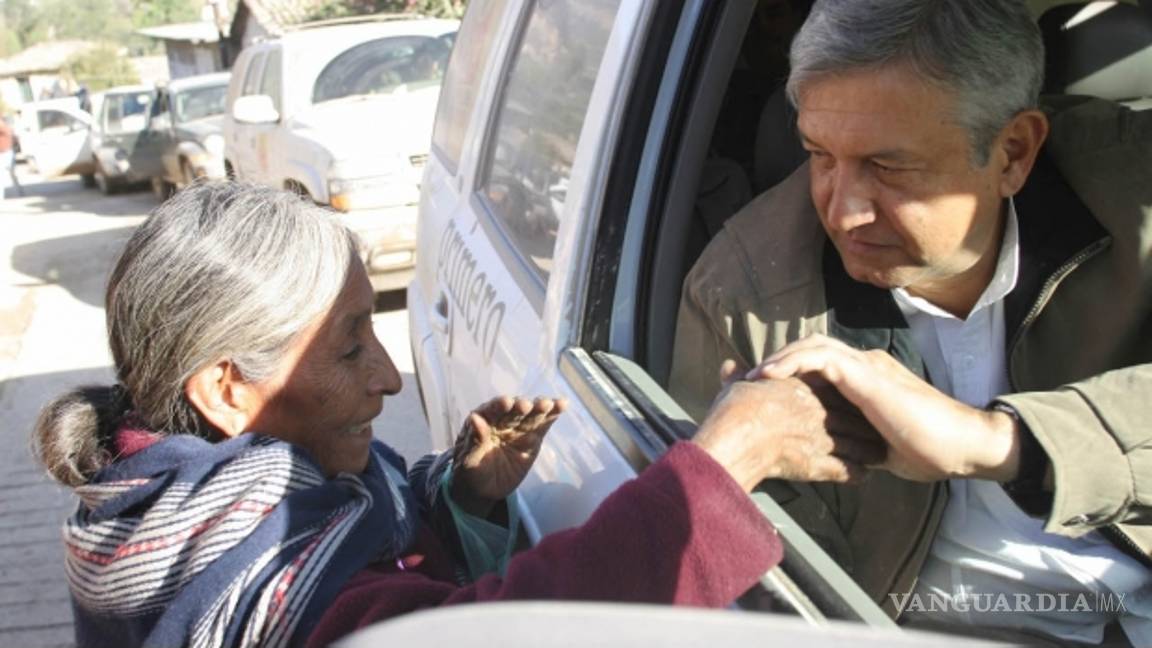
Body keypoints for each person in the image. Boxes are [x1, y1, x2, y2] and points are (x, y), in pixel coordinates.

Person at [34, 182, 836, 648]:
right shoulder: (268, 586)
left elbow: (371, 565)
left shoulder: (154, 501)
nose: (388, 379)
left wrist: (463, 497)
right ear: (228, 392)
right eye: (350, 349)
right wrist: (720, 468)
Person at [669, 0, 1152, 645]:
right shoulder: (744, 296)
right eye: (819, 155)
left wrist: (997, 442)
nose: (841, 214)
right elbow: (764, 578)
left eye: (889, 167)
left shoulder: (1138, 198)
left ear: (1013, 151)